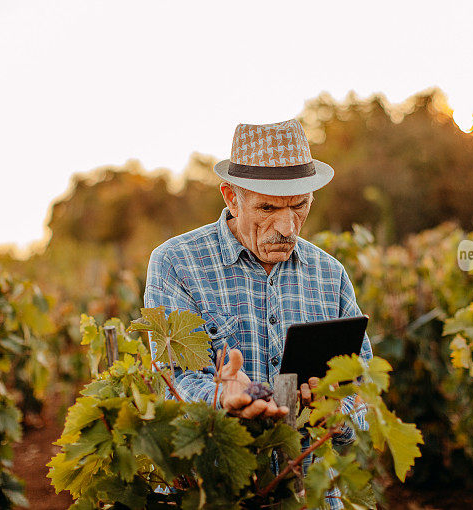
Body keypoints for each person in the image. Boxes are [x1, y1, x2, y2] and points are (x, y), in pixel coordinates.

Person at [144, 119, 372, 509]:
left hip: (309, 498)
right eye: (267, 207)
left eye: (299, 206)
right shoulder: (177, 263)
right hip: (213, 496)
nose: (286, 227)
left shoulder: (330, 274)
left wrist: (338, 408)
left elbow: (364, 390)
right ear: (231, 197)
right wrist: (222, 398)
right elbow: (170, 385)